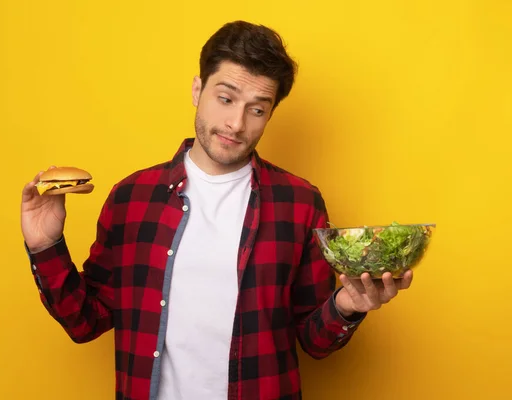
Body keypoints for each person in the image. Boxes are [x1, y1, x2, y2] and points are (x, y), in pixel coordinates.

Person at [21, 20, 414, 400]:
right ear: (197, 89)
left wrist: (347, 306)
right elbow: (85, 322)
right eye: (225, 99)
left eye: (257, 110)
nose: (236, 123)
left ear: (271, 113)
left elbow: (314, 341)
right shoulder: (132, 198)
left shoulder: (300, 203)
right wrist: (45, 246)